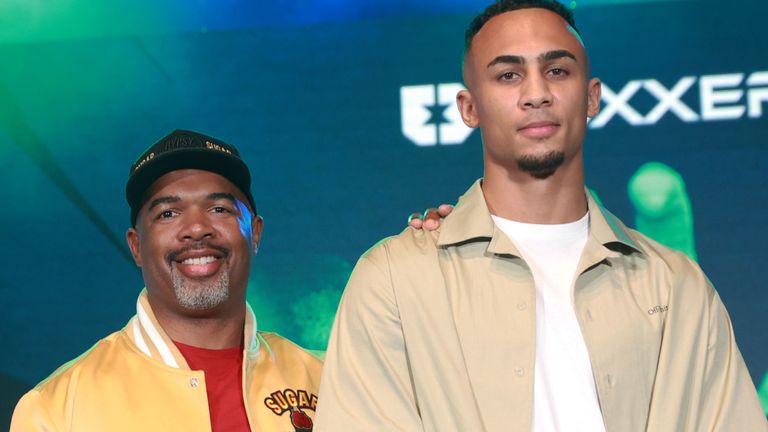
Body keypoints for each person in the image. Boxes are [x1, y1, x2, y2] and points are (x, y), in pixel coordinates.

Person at [314, 1, 767, 431]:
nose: (536, 93)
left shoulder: (678, 286)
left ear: (591, 98)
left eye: (556, 70)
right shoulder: (394, 279)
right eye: (509, 74)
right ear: (469, 108)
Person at [11, 129, 323, 432]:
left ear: (254, 233)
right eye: (168, 214)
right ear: (136, 246)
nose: (197, 228)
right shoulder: (56, 409)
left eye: (218, 208)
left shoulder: (325, 379)